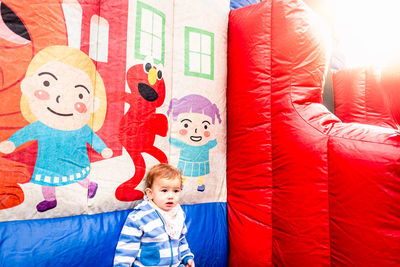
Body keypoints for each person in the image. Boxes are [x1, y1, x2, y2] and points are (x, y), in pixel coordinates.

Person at [0, 45, 112, 212]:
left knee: (80, 178)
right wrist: (13, 142)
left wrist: (102, 149)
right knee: (47, 182)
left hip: (75, 162)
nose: (62, 100)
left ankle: (91, 185)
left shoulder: (82, 128)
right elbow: (26, 133)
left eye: (79, 95)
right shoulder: (42, 126)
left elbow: (93, 138)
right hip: (48, 163)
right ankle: (50, 200)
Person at [113, 163, 195, 267]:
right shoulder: (139, 217)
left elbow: (181, 239)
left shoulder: (178, 214)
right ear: (150, 193)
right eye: (164, 190)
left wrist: (187, 257)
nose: (171, 196)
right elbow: (127, 248)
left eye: (176, 191)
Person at [167, 94, 221, 192]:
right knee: (185, 172)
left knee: (199, 173)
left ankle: (200, 185)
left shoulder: (205, 145)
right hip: (187, 162)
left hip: (200, 161)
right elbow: (174, 142)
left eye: (205, 127)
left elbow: (214, 142)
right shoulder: (184, 144)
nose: (196, 130)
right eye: (186, 125)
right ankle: (182, 184)